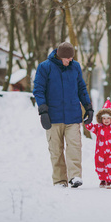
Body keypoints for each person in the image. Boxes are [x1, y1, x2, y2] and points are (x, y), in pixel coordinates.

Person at [33, 42, 94, 188]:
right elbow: (38, 89)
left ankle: (75, 176)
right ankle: (60, 180)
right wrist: (43, 111)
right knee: (56, 150)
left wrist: (88, 107)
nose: (70, 60)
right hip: (53, 116)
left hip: (72, 115)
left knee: (74, 146)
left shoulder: (75, 67)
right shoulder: (45, 67)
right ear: (60, 57)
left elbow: (81, 88)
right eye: (67, 58)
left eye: (72, 58)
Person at [84, 98, 111, 189]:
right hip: (100, 152)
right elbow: (91, 128)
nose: (106, 120)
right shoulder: (98, 128)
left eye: (108, 118)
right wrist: (87, 122)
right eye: (104, 118)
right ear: (101, 119)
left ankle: (110, 181)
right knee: (99, 166)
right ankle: (103, 179)